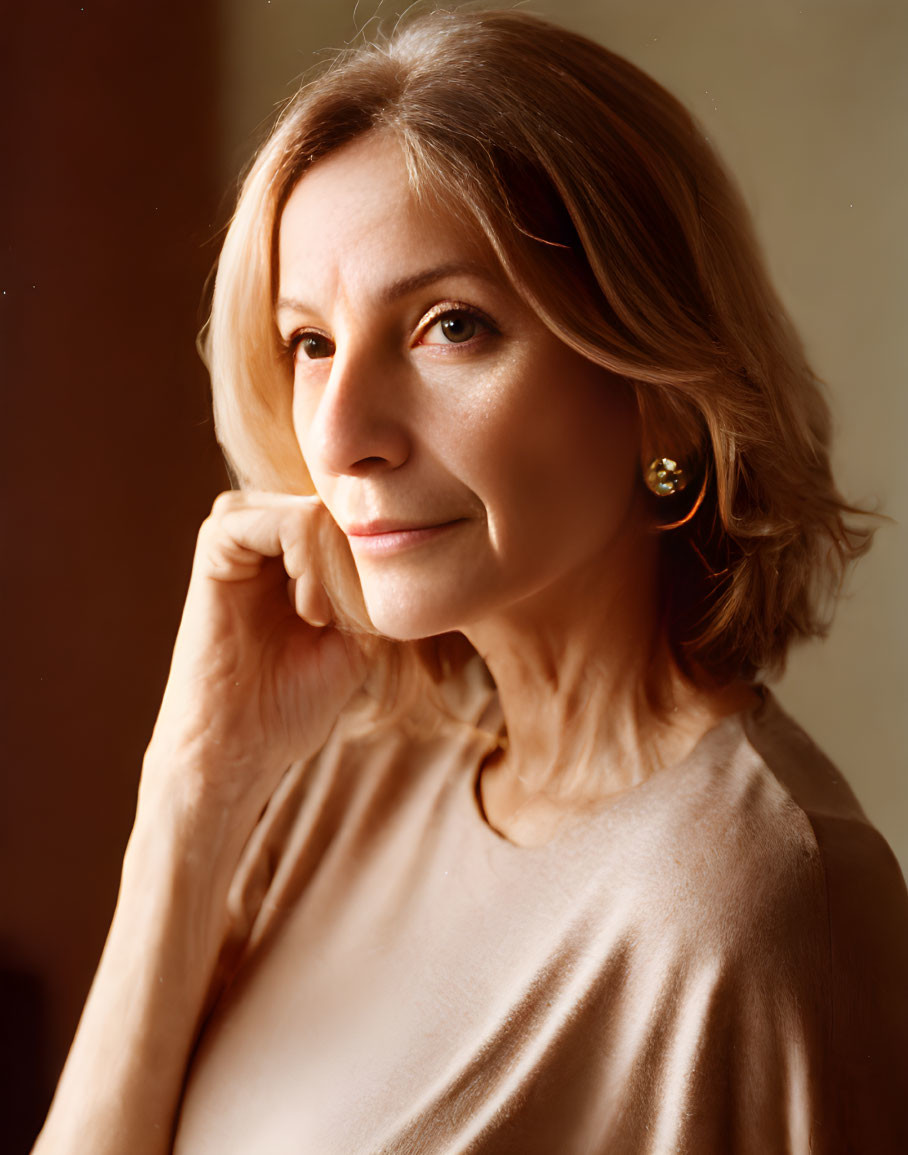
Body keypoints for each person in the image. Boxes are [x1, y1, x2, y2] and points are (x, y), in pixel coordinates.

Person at [33, 7, 908, 1154]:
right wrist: (192, 791)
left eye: (449, 326)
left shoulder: (759, 907)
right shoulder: (332, 786)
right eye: (310, 343)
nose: (341, 433)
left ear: (658, 392)